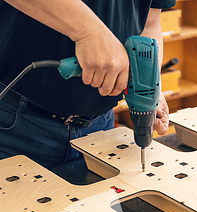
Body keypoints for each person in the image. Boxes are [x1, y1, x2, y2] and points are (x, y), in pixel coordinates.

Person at [0, 0, 175, 167]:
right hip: (14, 124)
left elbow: (149, 24)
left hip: (100, 126)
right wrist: (88, 32)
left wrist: (149, 82)